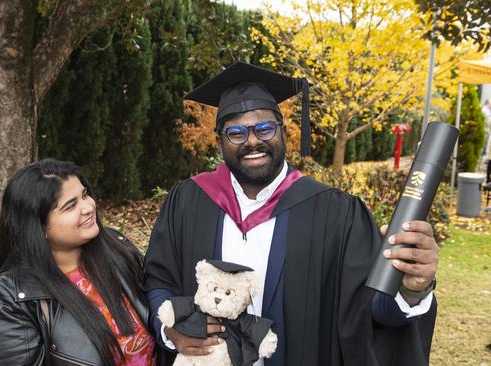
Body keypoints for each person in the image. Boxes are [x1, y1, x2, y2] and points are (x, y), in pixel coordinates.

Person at [144, 62, 438, 366]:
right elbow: (158, 279)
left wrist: (412, 290)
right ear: (220, 140)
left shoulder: (335, 213)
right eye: (236, 133)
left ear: (283, 132)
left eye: (264, 128)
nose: (253, 141)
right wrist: (170, 330)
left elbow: (369, 312)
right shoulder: (189, 200)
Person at [0, 159, 157, 366]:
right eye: (70, 206)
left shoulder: (117, 249)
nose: (88, 207)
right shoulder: (9, 301)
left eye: (85, 194)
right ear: (39, 227)